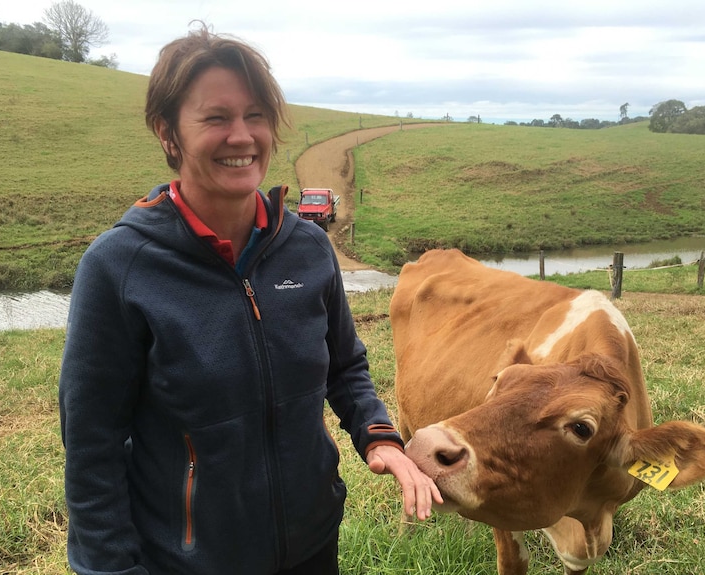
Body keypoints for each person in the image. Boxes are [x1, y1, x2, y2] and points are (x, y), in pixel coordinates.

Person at [58, 25, 441, 575]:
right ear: (169, 133)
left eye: (256, 114)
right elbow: (92, 446)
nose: (242, 136)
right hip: (188, 560)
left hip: (311, 542)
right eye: (216, 118)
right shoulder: (120, 267)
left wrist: (377, 437)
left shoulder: (307, 247)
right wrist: (107, 567)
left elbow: (346, 364)